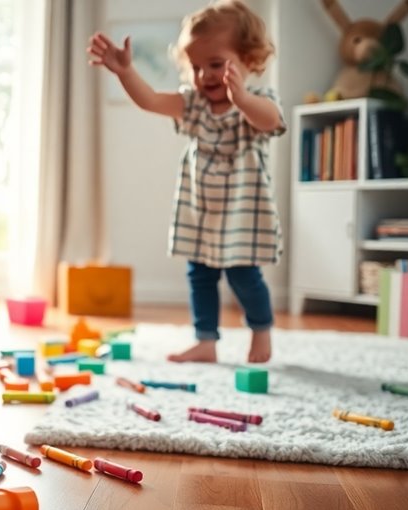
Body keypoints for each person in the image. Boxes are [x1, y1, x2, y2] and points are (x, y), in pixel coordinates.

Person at [88, 0, 285, 363]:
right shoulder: (193, 105)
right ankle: (206, 341)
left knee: (244, 277)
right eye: (195, 67)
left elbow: (271, 121)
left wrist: (240, 98)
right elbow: (150, 100)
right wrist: (125, 72)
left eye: (215, 64)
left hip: (241, 213)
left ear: (248, 59)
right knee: (199, 275)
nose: (205, 75)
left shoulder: (256, 102)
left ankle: (261, 331)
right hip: (201, 211)